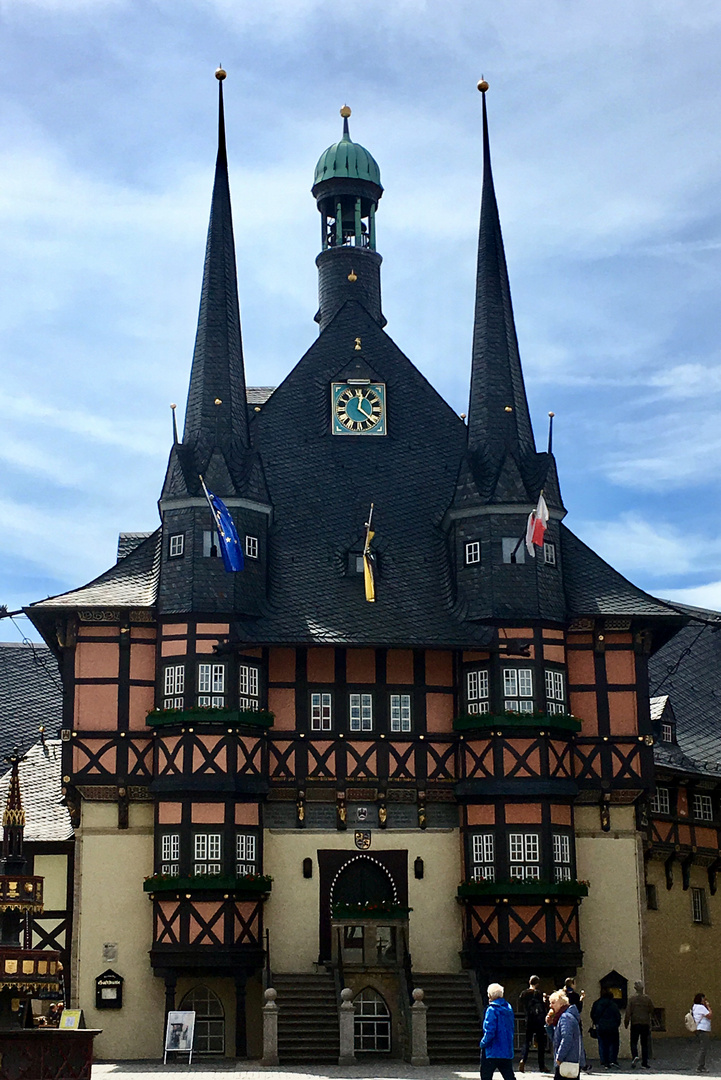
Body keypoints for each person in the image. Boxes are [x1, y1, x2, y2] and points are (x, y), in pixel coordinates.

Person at [480, 982, 517, 1080]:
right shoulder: (508, 1008)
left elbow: (490, 1030)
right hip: (506, 1048)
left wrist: (483, 1043)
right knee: (509, 1075)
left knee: (486, 1075)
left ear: (490, 995)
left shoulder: (491, 1010)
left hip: (492, 1049)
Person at [519, 976, 548, 1073]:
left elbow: (521, 1004)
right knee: (541, 1043)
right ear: (538, 983)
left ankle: (523, 1059)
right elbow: (543, 1006)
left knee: (527, 1041)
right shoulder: (539, 993)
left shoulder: (524, 993)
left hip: (529, 1020)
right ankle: (541, 1065)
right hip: (539, 1021)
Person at [551, 990, 582, 1080]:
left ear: (561, 1003)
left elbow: (566, 1038)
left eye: (553, 1002)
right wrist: (549, 1024)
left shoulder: (565, 1017)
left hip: (567, 1061)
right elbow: (555, 1038)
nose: (550, 1006)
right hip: (568, 1061)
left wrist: (559, 1057)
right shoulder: (563, 1016)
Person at [624, 980, 654, 1069]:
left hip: (635, 1023)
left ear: (635, 988)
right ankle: (645, 1062)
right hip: (645, 1023)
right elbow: (652, 1009)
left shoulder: (632, 999)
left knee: (633, 1041)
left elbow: (628, 1012)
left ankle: (635, 1056)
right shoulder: (647, 999)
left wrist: (626, 1022)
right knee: (644, 1043)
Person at [590, 988, 622, 1070]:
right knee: (614, 1044)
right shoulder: (613, 1004)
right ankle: (613, 1060)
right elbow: (618, 1016)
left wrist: (597, 1022)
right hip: (612, 1027)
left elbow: (593, 1014)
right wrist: (616, 1024)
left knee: (603, 1044)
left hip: (601, 1027)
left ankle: (604, 1061)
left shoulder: (597, 1003)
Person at [691, 993, 712, 1074]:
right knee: (704, 1048)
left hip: (699, 1029)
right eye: (703, 999)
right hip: (702, 1029)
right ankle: (700, 1066)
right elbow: (709, 1015)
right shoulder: (701, 1007)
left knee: (703, 1047)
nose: (705, 1000)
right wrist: (708, 1007)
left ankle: (701, 1065)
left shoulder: (695, 1007)